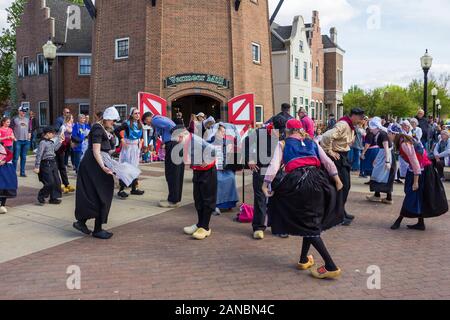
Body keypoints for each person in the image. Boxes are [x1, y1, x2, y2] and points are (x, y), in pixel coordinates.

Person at [263, 119, 344, 279]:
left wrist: (266, 183)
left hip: (298, 182)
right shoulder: (312, 142)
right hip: (319, 180)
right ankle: (303, 259)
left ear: (287, 131)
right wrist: (336, 178)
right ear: (300, 130)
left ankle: (331, 266)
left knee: (307, 222)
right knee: (309, 220)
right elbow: (327, 161)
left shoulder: (283, 144)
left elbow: (273, 166)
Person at [73, 107, 120, 239]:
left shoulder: (104, 129)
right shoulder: (98, 128)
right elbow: (96, 150)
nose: (114, 123)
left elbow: (105, 150)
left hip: (98, 163)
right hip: (93, 165)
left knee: (97, 194)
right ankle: (96, 228)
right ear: (107, 118)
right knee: (101, 194)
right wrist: (103, 167)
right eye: (113, 121)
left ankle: (83, 223)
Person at [390, 130, 448, 231]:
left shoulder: (404, 144)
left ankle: (399, 220)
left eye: (389, 133)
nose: (388, 136)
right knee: (419, 197)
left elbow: (415, 162)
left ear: (394, 134)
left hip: (421, 171)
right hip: (424, 170)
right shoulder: (407, 141)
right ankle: (420, 223)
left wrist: (415, 181)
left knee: (412, 195)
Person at [320, 108, 365, 226]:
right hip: (337, 158)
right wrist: (329, 150)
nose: (361, 120)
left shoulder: (349, 125)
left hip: (342, 157)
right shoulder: (343, 124)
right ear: (353, 116)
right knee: (341, 186)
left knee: (345, 186)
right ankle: (337, 216)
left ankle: (341, 211)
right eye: (360, 117)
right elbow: (326, 136)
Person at [245, 115, 285, 240]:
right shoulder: (260, 132)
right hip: (260, 167)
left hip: (277, 168)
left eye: (282, 131)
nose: (280, 134)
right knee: (260, 198)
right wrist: (250, 159)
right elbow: (246, 143)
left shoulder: (284, 133)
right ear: (272, 126)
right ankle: (258, 227)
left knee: (279, 196)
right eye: (277, 131)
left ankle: (278, 226)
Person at [181, 127, 217, 240]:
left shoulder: (194, 140)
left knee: (207, 199)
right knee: (198, 199)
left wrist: (208, 160)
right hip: (198, 171)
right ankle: (199, 224)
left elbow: (213, 149)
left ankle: (205, 227)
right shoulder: (185, 142)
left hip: (207, 171)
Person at [146, 113, 185, 208]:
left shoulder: (155, 119)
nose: (148, 124)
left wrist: (178, 135)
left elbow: (171, 126)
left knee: (172, 173)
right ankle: (175, 199)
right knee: (177, 173)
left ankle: (172, 200)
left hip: (173, 145)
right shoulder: (162, 118)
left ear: (148, 118)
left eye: (146, 122)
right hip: (176, 145)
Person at [208, 123, 240, 215]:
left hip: (225, 168)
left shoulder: (227, 142)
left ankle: (229, 203)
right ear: (216, 131)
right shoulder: (211, 141)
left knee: (231, 177)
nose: (223, 133)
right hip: (214, 168)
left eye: (224, 132)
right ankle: (215, 205)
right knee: (218, 180)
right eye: (221, 131)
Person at [114, 107, 145, 198]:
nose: (137, 115)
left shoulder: (140, 124)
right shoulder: (127, 124)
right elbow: (116, 130)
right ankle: (121, 190)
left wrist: (141, 141)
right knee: (126, 168)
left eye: (139, 113)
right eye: (135, 113)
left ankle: (134, 188)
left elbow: (141, 135)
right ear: (131, 114)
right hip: (128, 148)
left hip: (136, 148)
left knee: (134, 168)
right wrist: (122, 139)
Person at [366, 118, 396, 205]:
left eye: (371, 127)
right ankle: (377, 195)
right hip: (383, 156)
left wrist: (387, 162)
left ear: (376, 127)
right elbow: (383, 149)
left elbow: (386, 148)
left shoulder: (382, 134)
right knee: (378, 175)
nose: (370, 129)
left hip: (386, 157)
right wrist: (377, 159)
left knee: (386, 176)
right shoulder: (380, 133)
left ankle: (387, 197)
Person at [34, 126, 64, 205]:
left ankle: (53, 198)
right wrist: (37, 166)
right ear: (48, 133)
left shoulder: (50, 142)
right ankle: (41, 196)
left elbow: (55, 149)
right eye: (52, 134)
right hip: (46, 163)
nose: (54, 135)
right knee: (49, 182)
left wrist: (60, 141)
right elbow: (39, 155)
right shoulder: (42, 143)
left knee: (57, 181)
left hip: (53, 162)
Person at [56, 115, 75, 194]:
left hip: (66, 148)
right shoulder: (63, 127)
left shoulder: (72, 126)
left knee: (63, 167)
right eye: (72, 118)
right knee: (58, 167)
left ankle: (66, 184)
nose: (73, 119)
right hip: (59, 148)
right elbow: (60, 137)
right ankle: (58, 184)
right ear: (68, 119)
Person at [11, 106, 31, 177]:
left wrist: (29, 136)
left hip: (26, 141)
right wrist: (14, 138)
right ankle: (13, 173)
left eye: (25, 111)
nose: (24, 113)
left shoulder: (27, 119)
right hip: (17, 141)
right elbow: (11, 130)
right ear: (19, 111)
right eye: (22, 111)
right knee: (15, 158)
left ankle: (22, 173)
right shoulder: (14, 119)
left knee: (24, 157)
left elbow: (29, 129)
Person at [0, 143, 17, 214]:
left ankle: (2, 205)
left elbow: (10, 154)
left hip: (4, 169)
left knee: (5, 187)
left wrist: (4, 161)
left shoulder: (2, 147)